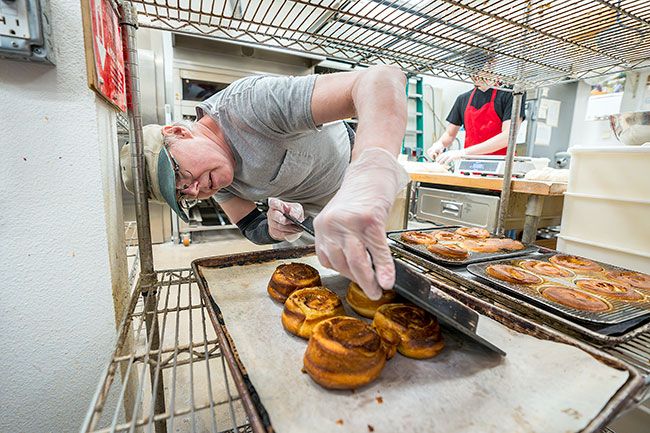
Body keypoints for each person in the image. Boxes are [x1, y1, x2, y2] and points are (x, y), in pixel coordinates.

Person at [120, 65, 409, 300]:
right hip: (309, 216)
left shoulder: (249, 105)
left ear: (179, 132)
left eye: (179, 173)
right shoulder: (215, 178)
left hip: (355, 179)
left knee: (388, 282)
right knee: (318, 295)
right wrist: (273, 229)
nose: (195, 189)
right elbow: (249, 226)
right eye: (183, 194)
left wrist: (369, 173)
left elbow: (382, 78)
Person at [428, 53, 525, 165]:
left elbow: (508, 136)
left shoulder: (511, 94)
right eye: (471, 71)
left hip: (500, 166)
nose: (474, 76)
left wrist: (464, 152)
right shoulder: (463, 99)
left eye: (478, 70)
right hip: (470, 165)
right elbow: (450, 134)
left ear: (492, 64)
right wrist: (439, 144)